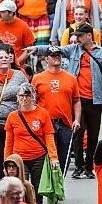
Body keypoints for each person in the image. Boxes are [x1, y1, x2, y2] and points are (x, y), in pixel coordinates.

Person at [27, 24, 102, 180]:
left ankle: (89, 167)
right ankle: (79, 166)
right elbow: (56, 50)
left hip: (95, 98)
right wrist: (36, 49)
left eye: (80, 36)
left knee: (93, 135)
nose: (77, 39)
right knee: (78, 133)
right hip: (77, 97)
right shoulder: (74, 49)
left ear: (89, 36)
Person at [4, 83, 59, 204]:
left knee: (37, 189)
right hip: (19, 159)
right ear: (17, 97)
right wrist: (7, 163)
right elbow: (9, 142)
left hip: (38, 157)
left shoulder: (42, 113)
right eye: (22, 96)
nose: (24, 99)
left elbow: (49, 137)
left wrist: (53, 158)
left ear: (33, 97)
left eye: (27, 95)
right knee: (20, 188)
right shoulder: (12, 116)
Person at [32, 45, 81, 174]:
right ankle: (47, 186)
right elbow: (33, 102)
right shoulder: (37, 78)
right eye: (53, 55)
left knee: (63, 157)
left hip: (64, 123)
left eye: (58, 55)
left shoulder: (71, 78)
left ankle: (60, 186)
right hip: (45, 123)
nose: (56, 57)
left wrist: (77, 120)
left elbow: (76, 100)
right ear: (46, 59)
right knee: (45, 157)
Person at [0, 47, 28, 185]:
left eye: (7, 57)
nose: (4, 59)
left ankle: (17, 188)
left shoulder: (19, 75)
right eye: (1, 57)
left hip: (16, 123)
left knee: (16, 157)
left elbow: (28, 94)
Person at [0, 0, 35, 64]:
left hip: (17, 67)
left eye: (2, 12)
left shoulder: (23, 26)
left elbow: (29, 48)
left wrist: (16, 62)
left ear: (11, 13)